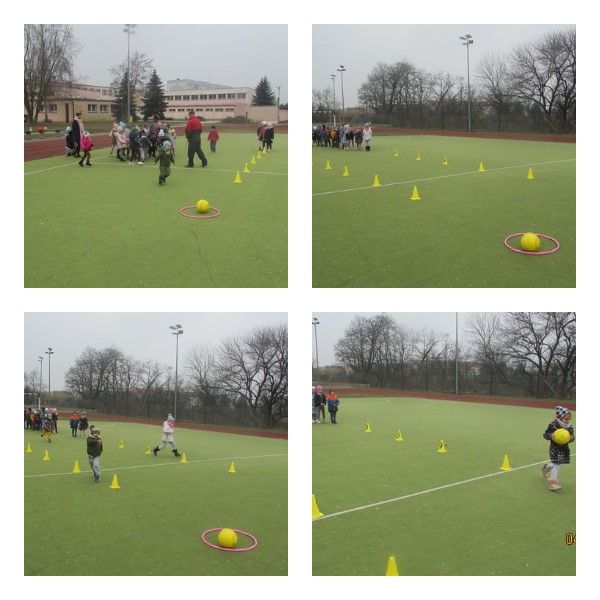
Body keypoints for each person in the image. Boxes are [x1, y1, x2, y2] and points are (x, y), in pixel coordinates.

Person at [542, 405, 575, 491]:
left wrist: (570, 438)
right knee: (557, 465)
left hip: (564, 448)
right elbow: (545, 434)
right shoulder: (553, 425)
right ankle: (553, 484)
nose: (568, 421)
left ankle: (546, 466)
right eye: (566, 419)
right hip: (554, 448)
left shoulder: (570, 426)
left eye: (569, 419)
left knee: (557, 464)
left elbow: (572, 437)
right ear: (560, 417)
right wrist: (551, 436)